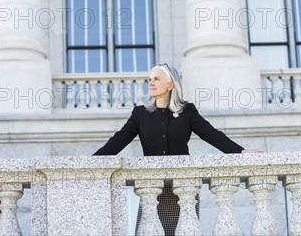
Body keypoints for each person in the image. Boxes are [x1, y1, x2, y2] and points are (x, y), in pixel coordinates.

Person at [94, 63, 262, 234]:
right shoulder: (140, 113)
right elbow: (119, 140)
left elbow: (211, 134)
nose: (151, 83)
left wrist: (240, 151)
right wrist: (92, 161)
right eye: (150, 79)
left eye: (157, 79)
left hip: (183, 189)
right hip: (152, 189)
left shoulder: (187, 111)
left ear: (171, 84)